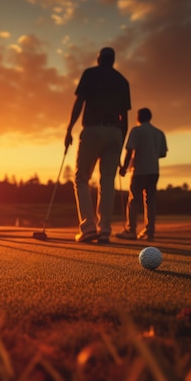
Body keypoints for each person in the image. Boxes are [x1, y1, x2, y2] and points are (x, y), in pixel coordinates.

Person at [65, 46, 131, 243]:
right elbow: (125, 118)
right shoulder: (122, 81)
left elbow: (79, 103)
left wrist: (69, 128)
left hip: (93, 129)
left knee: (82, 178)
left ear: (98, 59)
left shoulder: (90, 74)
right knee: (107, 182)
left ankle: (88, 228)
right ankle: (104, 230)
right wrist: (121, 143)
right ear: (113, 60)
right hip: (115, 132)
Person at [115, 107, 168, 242]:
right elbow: (162, 153)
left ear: (139, 117)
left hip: (139, 170)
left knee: (133, 200)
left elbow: (129, 150)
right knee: (150, 201)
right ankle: (149, 230)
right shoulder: (159, 132)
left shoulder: (136, 131)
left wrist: (124, 168)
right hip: (154, 170)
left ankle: (131, 230)